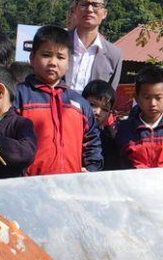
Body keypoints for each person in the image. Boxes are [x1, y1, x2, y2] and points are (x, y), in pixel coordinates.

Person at [15, 25, 103, 177]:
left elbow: (92, 142)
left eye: (60, 57)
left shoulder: (79, 103)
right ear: (32, 58)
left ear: (69, 62)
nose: (53, 62)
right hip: (27, 186)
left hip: (70, 186)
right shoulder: (18, 96)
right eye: (46, 55)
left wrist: (91, 170)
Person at [106, 67, 163, 169]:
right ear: (136, 98)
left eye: (158, 98)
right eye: (147, 97)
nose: (152, 104)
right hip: (135, 183)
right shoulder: (125, 129)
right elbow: (117, 161)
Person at [60, 0, 122, 93]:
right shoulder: (58, 42)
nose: (89, 9)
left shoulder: (114, 55)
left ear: (104, 13)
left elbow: (108, 98)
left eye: (95, 5)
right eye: (84, 4)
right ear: (75, 9)